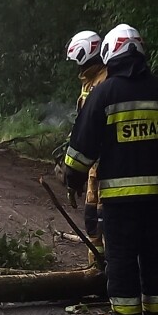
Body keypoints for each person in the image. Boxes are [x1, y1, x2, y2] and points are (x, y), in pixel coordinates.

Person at [60, 24, 158, 315]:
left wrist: (72, 180)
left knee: (121, 256)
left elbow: (81, 149)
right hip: (156, 197)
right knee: (156, 255)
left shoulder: (104, 93)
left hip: (119, 198)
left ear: (110, 53)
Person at [64, 29, 107, 262]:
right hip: (93, 166)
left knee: (105, 219)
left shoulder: (105, 80)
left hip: (106, 164)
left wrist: (73, 173)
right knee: (92, 219)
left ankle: (111, 271)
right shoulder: (90, 81)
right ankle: (96, 268)